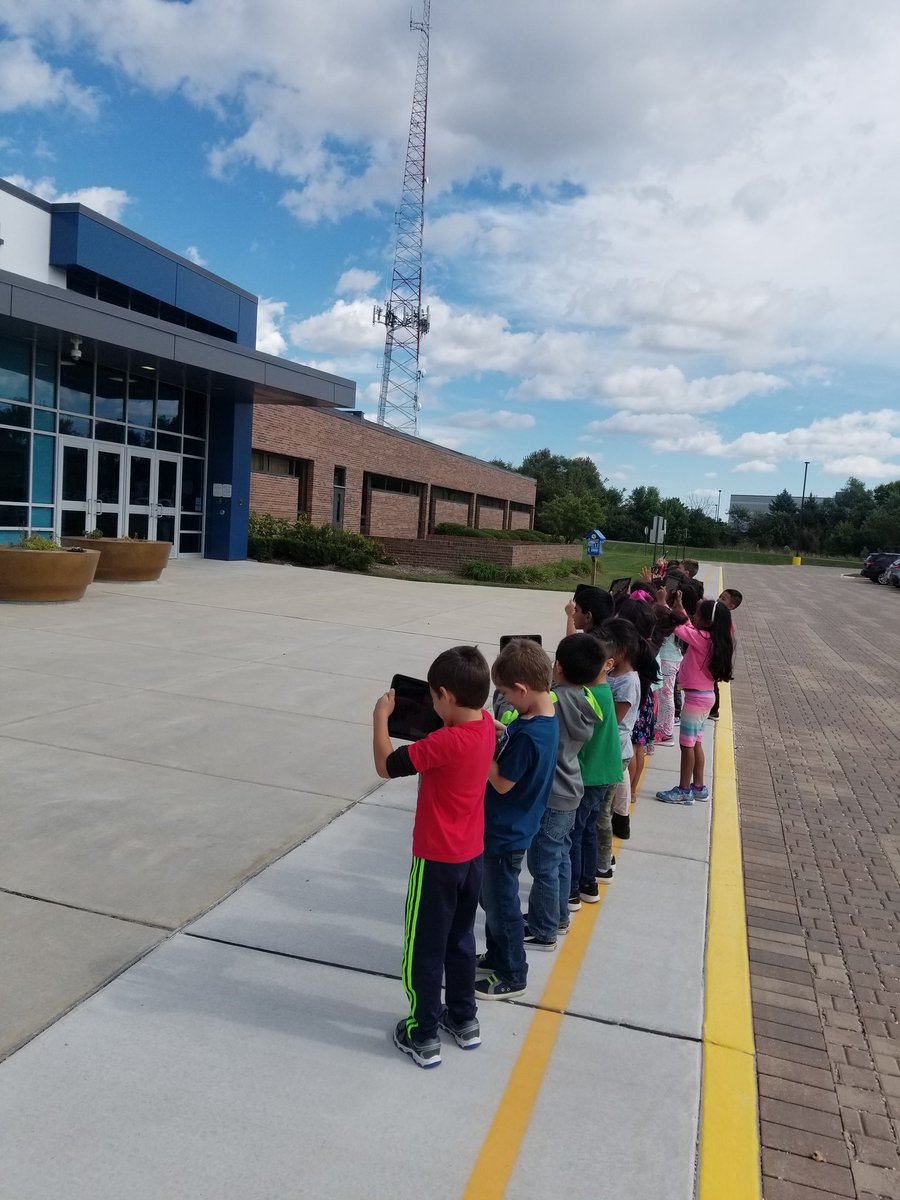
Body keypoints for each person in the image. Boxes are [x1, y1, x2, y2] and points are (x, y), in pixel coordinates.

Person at [373, 646, 496, 1069]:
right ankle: (463, 1018)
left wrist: (380, 718)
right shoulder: (486, 726)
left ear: (443, 695)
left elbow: (387, 766)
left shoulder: (442, 742)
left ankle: (422, 1032)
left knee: (423, 947)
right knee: (461, 940)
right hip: (471, 856)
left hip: (435, 860)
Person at [477, 639, 558, 1001]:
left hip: (504, 832)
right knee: (494, 900)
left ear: (522, 689)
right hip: (515, 827)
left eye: (507, 693)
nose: (506, 700)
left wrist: (482, 746)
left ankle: (513, 973)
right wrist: (502, 733)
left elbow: (502, 782)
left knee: (502, 905)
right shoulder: (543, 720)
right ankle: (497, 956)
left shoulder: (529, 735)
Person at [523, 634, 603, 949]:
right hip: (573, 788)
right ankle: (557, 917)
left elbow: (518, 721)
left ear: (557, 666)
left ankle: (543, 930)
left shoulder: (553, 701)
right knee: (561, 856)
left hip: (551, 793)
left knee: (543, 863)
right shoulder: (589, 699)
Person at [655, 596, 735, 806]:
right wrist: (681, 611)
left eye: (698, 614)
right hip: (705, 697)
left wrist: (663, 603)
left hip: (695, 700)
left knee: (686, 746)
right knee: (696, 743)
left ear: (707, 621)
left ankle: (683, 790)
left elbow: (680, 629)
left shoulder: (701, 638)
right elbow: (689, 628)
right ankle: (698, 787)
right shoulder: (712, 639)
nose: (693, 616)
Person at [569, 634, 622, 907]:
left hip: (590, 776)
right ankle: (589, 882)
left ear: (607, 665)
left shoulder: (589, 697)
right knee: (587, 828)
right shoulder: (601, 692)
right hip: (604, 774)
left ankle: (574, 888)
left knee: (575, 833)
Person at [596, 617, 642, 840]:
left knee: (602, 810)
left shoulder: (628, 682)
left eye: (605, 647)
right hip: (611, 749)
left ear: (620, 650)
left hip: (616, 749)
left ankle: (604, 860)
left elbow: (611, 720)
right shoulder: (613, 674)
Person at [708, 588, 742, 721]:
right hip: (714, 653)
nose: (718, 600)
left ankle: (714, 710)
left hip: (717, 655)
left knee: (712, 683)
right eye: (719, 597)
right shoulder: (718, 616)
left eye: (723, 599)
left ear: (731, 606)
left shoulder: (726, 622)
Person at [654, 604, 683, 744]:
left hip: (667, 662)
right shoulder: (673, 625)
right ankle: (662, 726)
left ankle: (666, 731)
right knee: (665, 695)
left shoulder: (664, 630)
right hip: (673, 660)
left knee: (666, 696)